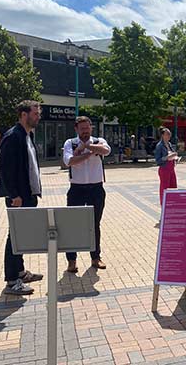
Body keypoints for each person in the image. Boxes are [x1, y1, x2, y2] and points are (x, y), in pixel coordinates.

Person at [0, 100, 44, 295]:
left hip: (28, 195)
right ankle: (11, 280)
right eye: (35, 113)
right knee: (14, 237)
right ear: (24, 115)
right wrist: (14, 195)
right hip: (18, 197)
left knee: (21, 235)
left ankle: (20, 271)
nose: (38, 117)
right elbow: (5, 170)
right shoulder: (13, 137)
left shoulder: (27, 136)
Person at [62, 116, 111, 272]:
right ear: (76, 129)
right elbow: (69, 161)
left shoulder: (99, 140)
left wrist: (86, 149)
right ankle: (72, 260)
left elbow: (106, 150)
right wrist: (89, 153)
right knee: (72, 225)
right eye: (82, 128)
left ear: (91, 127)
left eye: (87, 127)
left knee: (94, 224)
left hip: (96, 189)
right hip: (77, 189)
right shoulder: (70, 143)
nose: (85, 130)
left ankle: (95, 257)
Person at [154, 127, 178, 205]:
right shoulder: (159, 146)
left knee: (173, 186)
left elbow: (172, 153)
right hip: (164, 169)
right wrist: (167, 158)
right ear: (163, 135)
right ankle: (164, 204)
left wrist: (175, 158)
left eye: (170, 134)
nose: (169, 136)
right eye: (167, 134)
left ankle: (172, 203)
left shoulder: (169, 144)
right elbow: (158, 160)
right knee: (165, 187)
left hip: (171, 168)